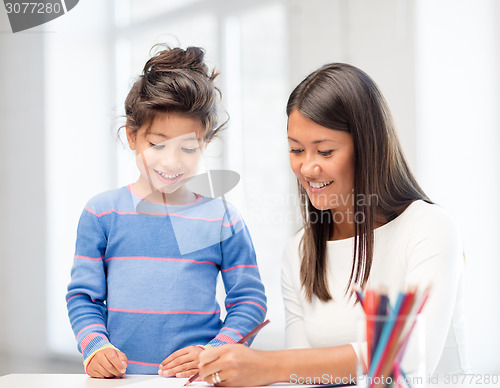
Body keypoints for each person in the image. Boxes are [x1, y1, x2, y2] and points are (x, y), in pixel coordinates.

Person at [196, 63, 469, 386]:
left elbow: (406, 358)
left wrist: (269, 366)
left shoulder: (430, 228)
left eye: (325, 151)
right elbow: (302, 375)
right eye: (296, 149)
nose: (307, 167)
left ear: (367, 147)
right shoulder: (299, 251)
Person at [66, 46, 267, 378]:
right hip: (122, 382)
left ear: (205, 143)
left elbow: (250, 301)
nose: (172, 162)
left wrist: (215, 351)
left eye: (188, 148)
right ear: (132, 136)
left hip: (197, 382)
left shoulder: (221, 218)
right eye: (157, 144)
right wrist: (94, 346)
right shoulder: (101, 214)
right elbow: (83, 297)